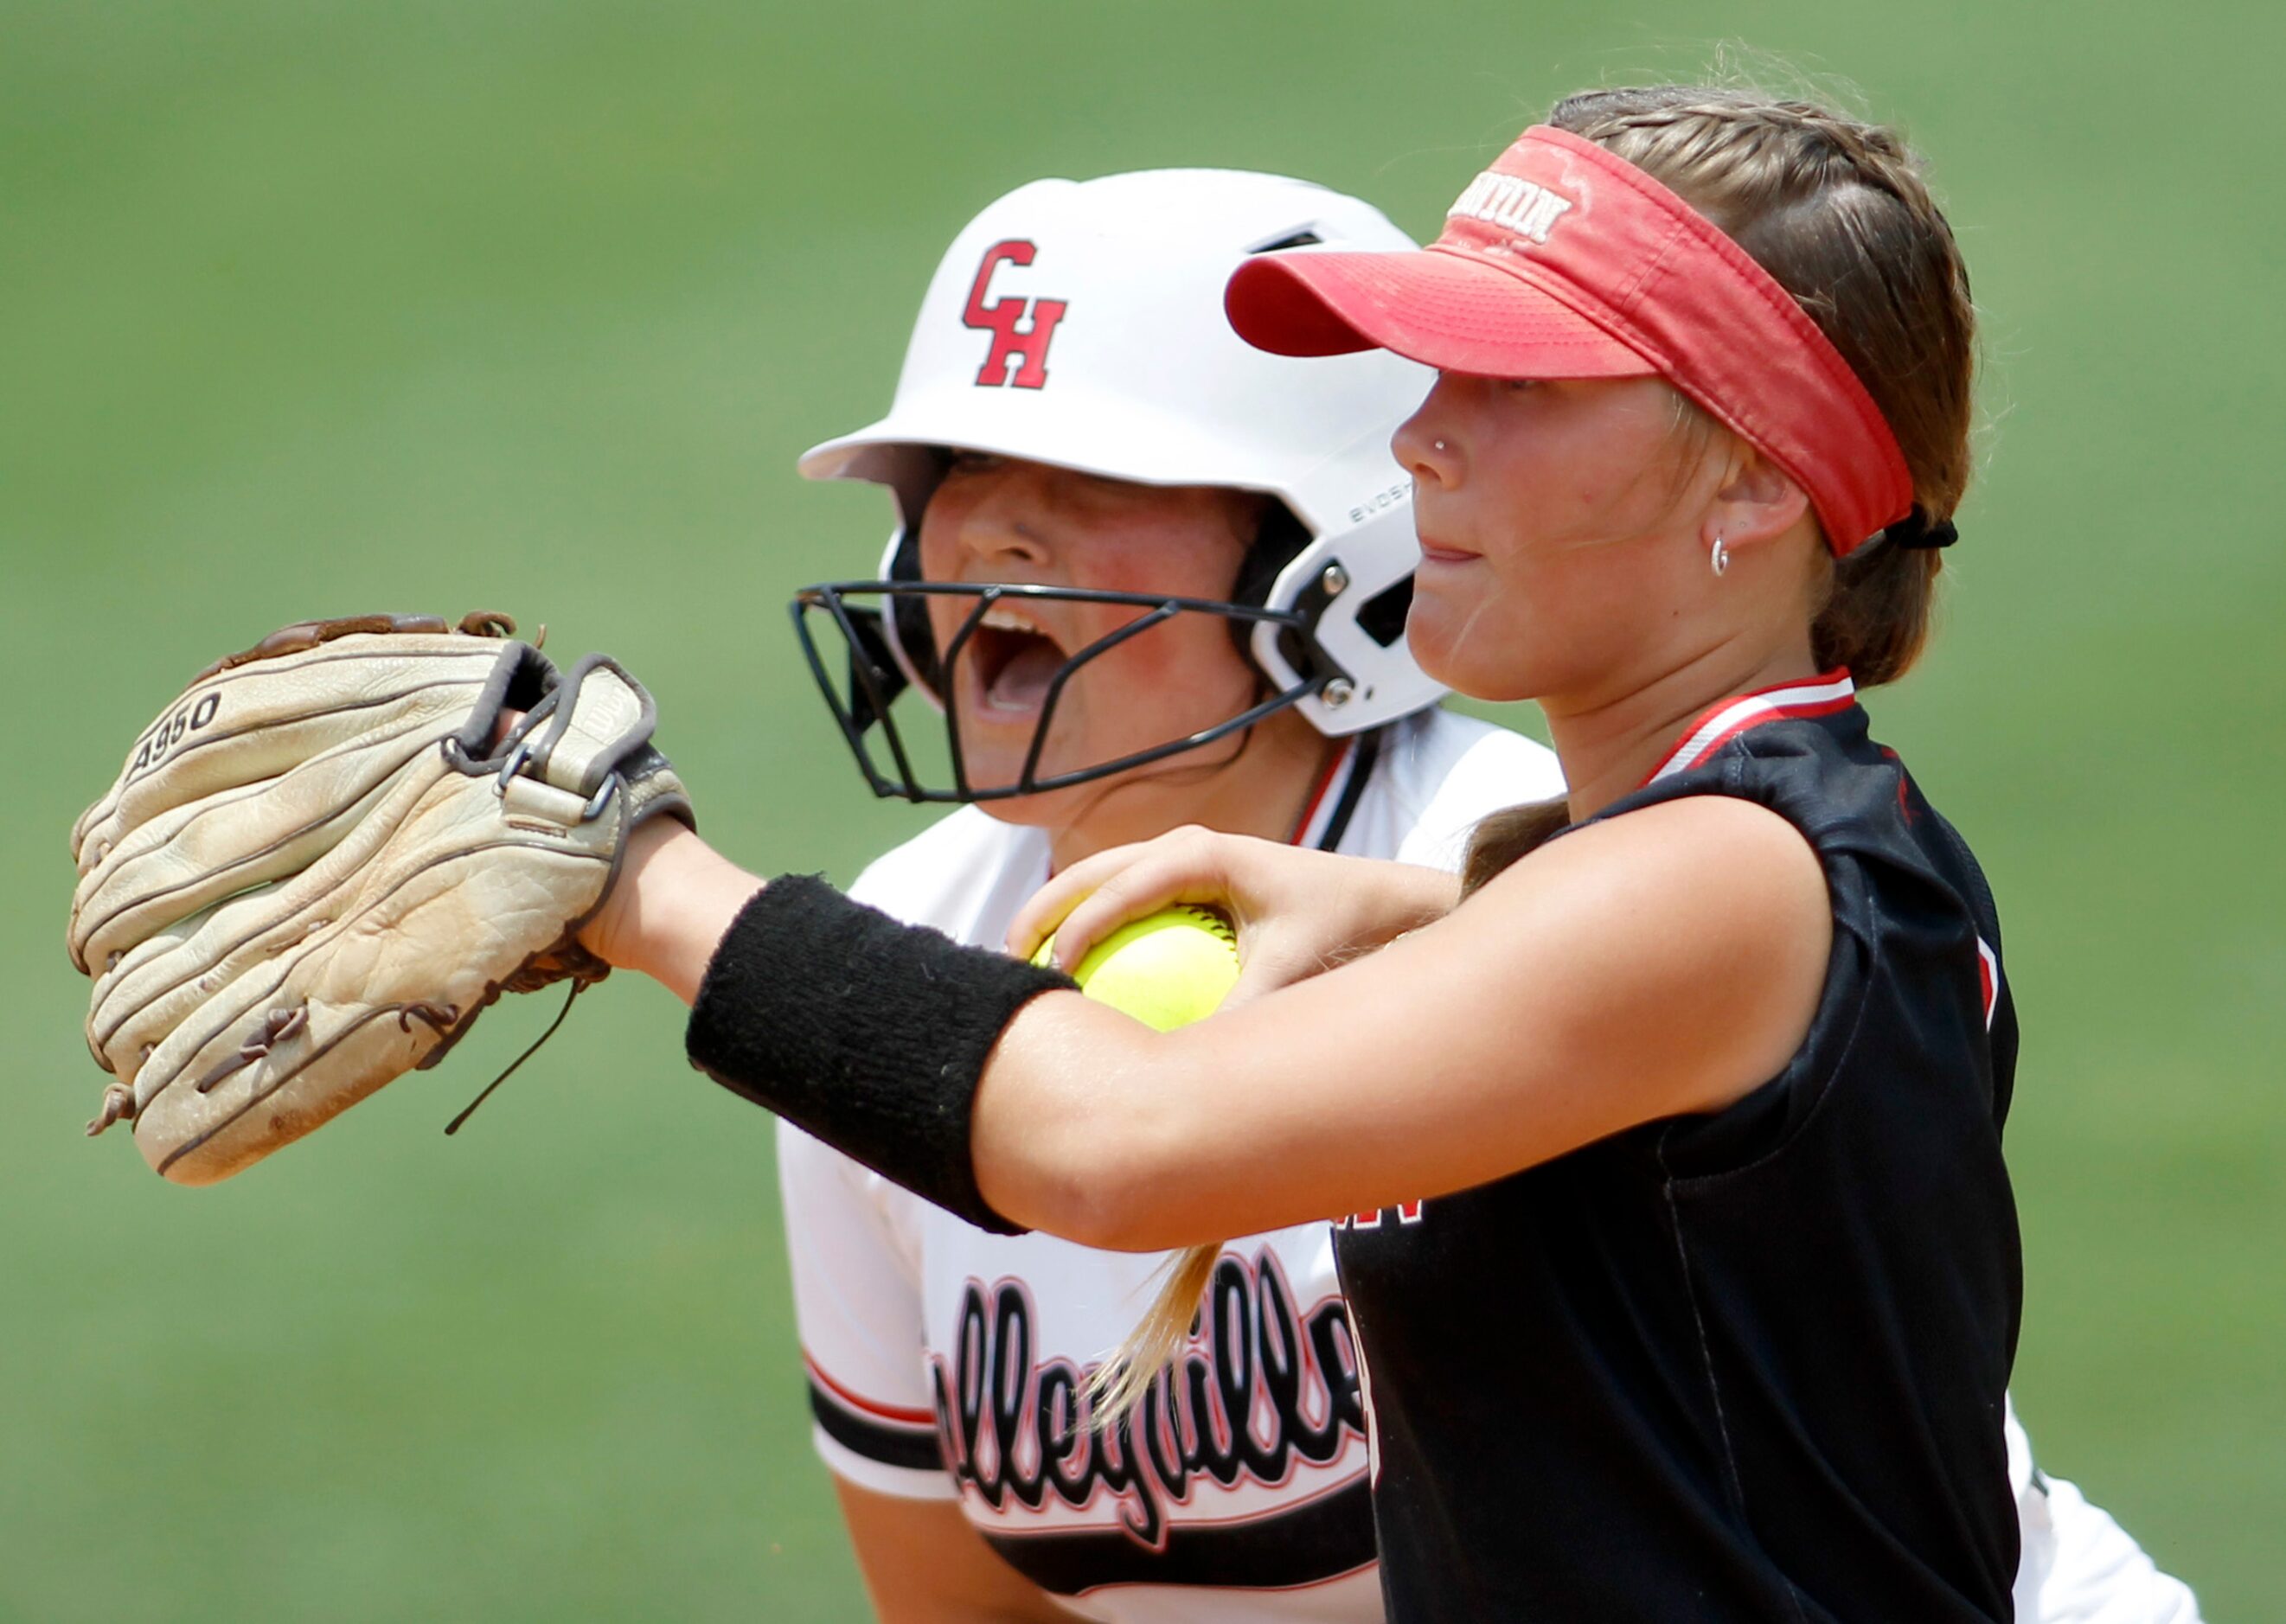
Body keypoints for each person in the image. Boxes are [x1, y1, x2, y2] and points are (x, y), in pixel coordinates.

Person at [585, 87, 2200, 1619]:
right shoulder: (1708, 854)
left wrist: (640, 876)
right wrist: (1407, 906)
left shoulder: (1736, 872)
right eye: (1431, 378)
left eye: (1518, 386)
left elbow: (1123, 1146)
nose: (1420, 441)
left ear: (1759, 476)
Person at [779, 167, 1563, 1621]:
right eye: (954, 469)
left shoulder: (1520, 853)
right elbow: (969, 1610)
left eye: (1099, 478)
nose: (986, 538)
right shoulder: (902, 941)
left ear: (1334, 558)